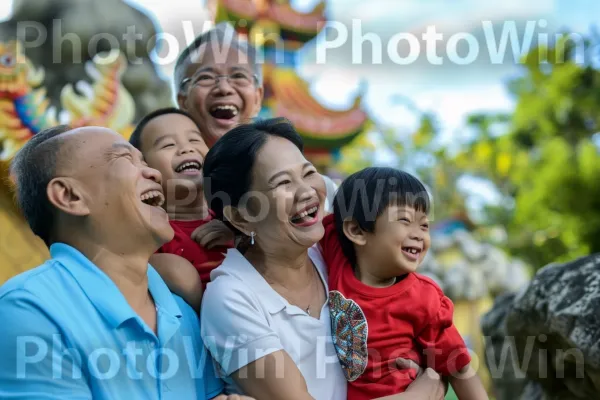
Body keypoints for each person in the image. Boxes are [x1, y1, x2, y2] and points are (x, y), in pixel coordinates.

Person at [199, 117, 447, 400]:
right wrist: (421, 393)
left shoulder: (335, 249)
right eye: (282, 182)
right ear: (242, 216)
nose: (306, 191)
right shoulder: (231, 298)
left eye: (308, 173)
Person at [0, 125, 242, 400]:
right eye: (125, 159)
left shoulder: (180, 312)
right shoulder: (30, 309)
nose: (154, 173)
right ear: (70, 196)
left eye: (145, 161)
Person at [321, 168, 488, 399]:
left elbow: (458, 367)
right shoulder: (337, 255)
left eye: (424, 225)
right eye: (405, 220)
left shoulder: (424, 298)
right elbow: (312, 205)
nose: (419, 234)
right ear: (356, 231)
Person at [173, 23, 338, 212]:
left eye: (239, 76)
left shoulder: (314, 191)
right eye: (206, 78)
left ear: (258, 97)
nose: (224, 88)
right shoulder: (163, 185)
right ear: (182, 100)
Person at [129, 108, 234, 302]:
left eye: (195, 140)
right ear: (145, 168)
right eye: (168, 144)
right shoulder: (152, 237)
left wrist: (239, 235)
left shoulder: (234, 220)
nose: (187, 148)